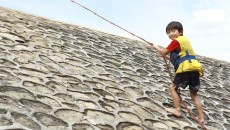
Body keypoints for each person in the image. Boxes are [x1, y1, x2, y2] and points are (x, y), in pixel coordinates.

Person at [152, 21, 204, 123]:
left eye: (173, 31)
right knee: (194, 94)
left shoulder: (176, 42)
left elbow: (163, 51)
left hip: (185, 69)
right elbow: (177, 59)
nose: (170, 34)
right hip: (194, 68)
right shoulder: (185, 41)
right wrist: (164, 56)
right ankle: (201, 118)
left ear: (180, 32)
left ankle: (177, 110)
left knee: (172, 87)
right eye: (168, 32)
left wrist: (156, 47)